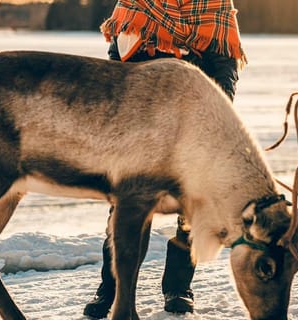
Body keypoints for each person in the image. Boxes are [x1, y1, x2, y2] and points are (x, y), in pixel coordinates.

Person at [83, 0, 246, 318]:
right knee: (126, 206)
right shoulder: (136, 4)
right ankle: (111, 287)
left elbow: (225, 66)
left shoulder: (215, 6)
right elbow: (116, 62)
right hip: (139, 123)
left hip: (193, 123)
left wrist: (218, 109)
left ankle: (178, 288)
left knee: (190, 209)